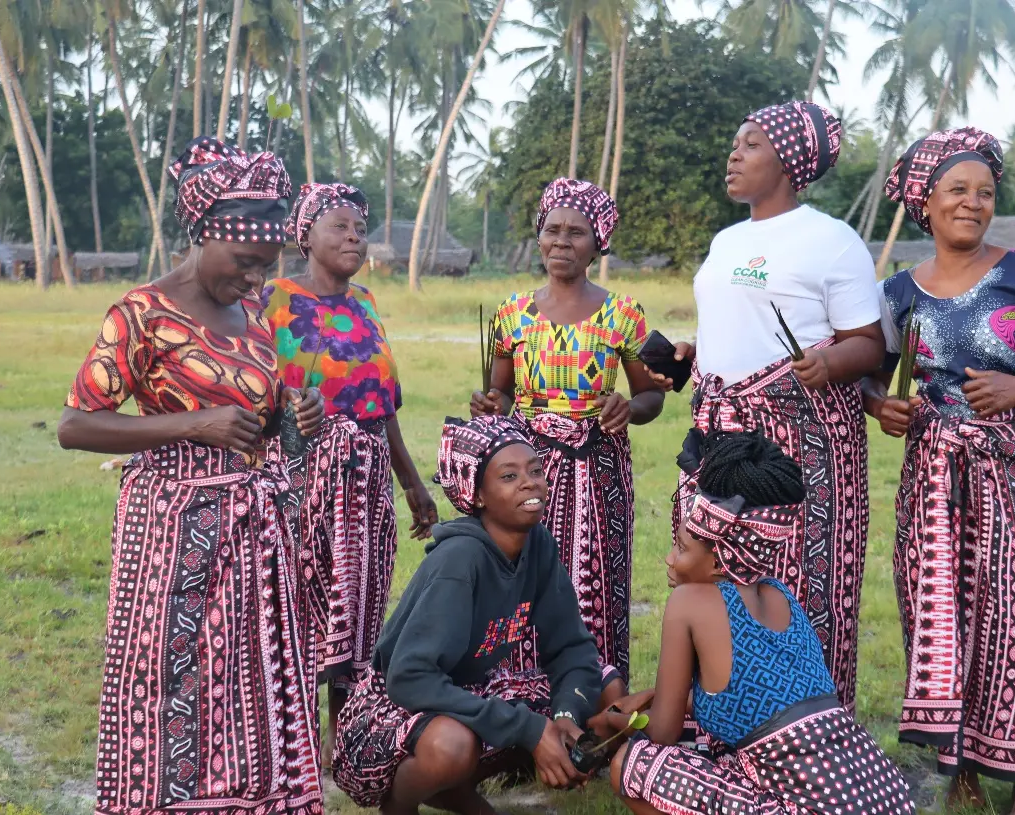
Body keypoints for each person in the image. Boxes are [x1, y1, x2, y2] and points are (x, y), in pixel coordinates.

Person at [58, 137, 328, 815]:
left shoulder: (255, 315)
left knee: (249, 685)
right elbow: (76, 424)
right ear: (204, 233)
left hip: (253, 537)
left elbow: (264, 430)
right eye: (243, 263)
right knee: (169, 686)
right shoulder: (141, 313)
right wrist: (192, 423)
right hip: (171, 529)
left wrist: (298, 419)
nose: (253, 280)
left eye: (265, 267)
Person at [862, 127, 1015, 815]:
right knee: (943, 614)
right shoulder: (897, 293)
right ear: (926, 203)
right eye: (957, 190)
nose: (973, 203)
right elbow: (870, 376)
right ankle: (961, 770)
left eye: (984, 192)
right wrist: (885, 407)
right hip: (935, 479)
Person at [645, 101, 883, 711]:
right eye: (735, 141)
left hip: (793, 441)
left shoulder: (832, 241)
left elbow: (869, 343)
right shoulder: (727, 241)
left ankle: (805, 726)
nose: (734, 153)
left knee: (797, 581)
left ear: (790, 162)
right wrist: (689, 356)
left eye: (750, 143)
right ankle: (719, 723)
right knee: (712, 574)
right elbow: (735, 332)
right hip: (717, 431)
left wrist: (827, 363)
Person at [603, 428, 915, 815]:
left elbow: (662, 734)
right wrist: (652, 696)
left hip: (812, 806)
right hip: (880, 794)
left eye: (681, 547)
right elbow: (755, 700)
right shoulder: (781, 596)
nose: (669, 559)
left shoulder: (690, 601)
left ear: (721, 560)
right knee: (715, 748)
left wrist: (616, 724)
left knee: (631, 765)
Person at [332, 415, 604, 815]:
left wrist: (564, 716)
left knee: (603, 690)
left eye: (535, 471)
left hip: (467, 692)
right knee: (452, 745)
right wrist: (529, 729)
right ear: (477, 496)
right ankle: (399, 804)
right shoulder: (461, 560)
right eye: (509, 477)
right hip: (387, 713)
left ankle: (459, 794)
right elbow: (409, 679)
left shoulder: (538, 544)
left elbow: (572, 649)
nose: (530, 483)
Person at [471, 178, 665, 690]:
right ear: (539, 237)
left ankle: (596, 697)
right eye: (552, 230)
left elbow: (653, 397)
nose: (562, 242)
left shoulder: (624, 313)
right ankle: (523, 696)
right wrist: (493, 403)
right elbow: (502, 393)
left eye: (576, 232)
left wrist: (629, 404)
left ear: (598, 241)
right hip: (529, 470)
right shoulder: (512, 314)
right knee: (523, 577)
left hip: (598, 468)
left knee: (596, 580)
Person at [263, 182, 439, 738]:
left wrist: (412, 483)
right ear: (305, 234)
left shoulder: (365, 303)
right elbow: (254, 395)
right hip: (299, 477)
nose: (354, 236)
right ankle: (291, 744)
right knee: (296, 610)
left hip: (367, 484)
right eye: (339, 225)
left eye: (360, 229)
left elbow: (383, 402)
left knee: (360, 615)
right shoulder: (273, 299)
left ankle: (344, 744)